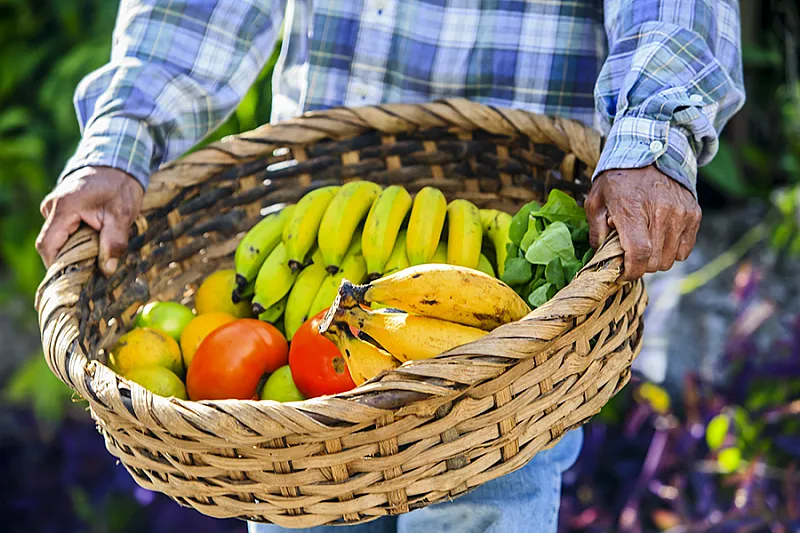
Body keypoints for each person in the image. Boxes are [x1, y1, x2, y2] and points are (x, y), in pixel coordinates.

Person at [35, 1, 745, 532]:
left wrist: (654, 135)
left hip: (511, 305)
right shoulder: (292, 280)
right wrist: (118, 145)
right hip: (311, 267)